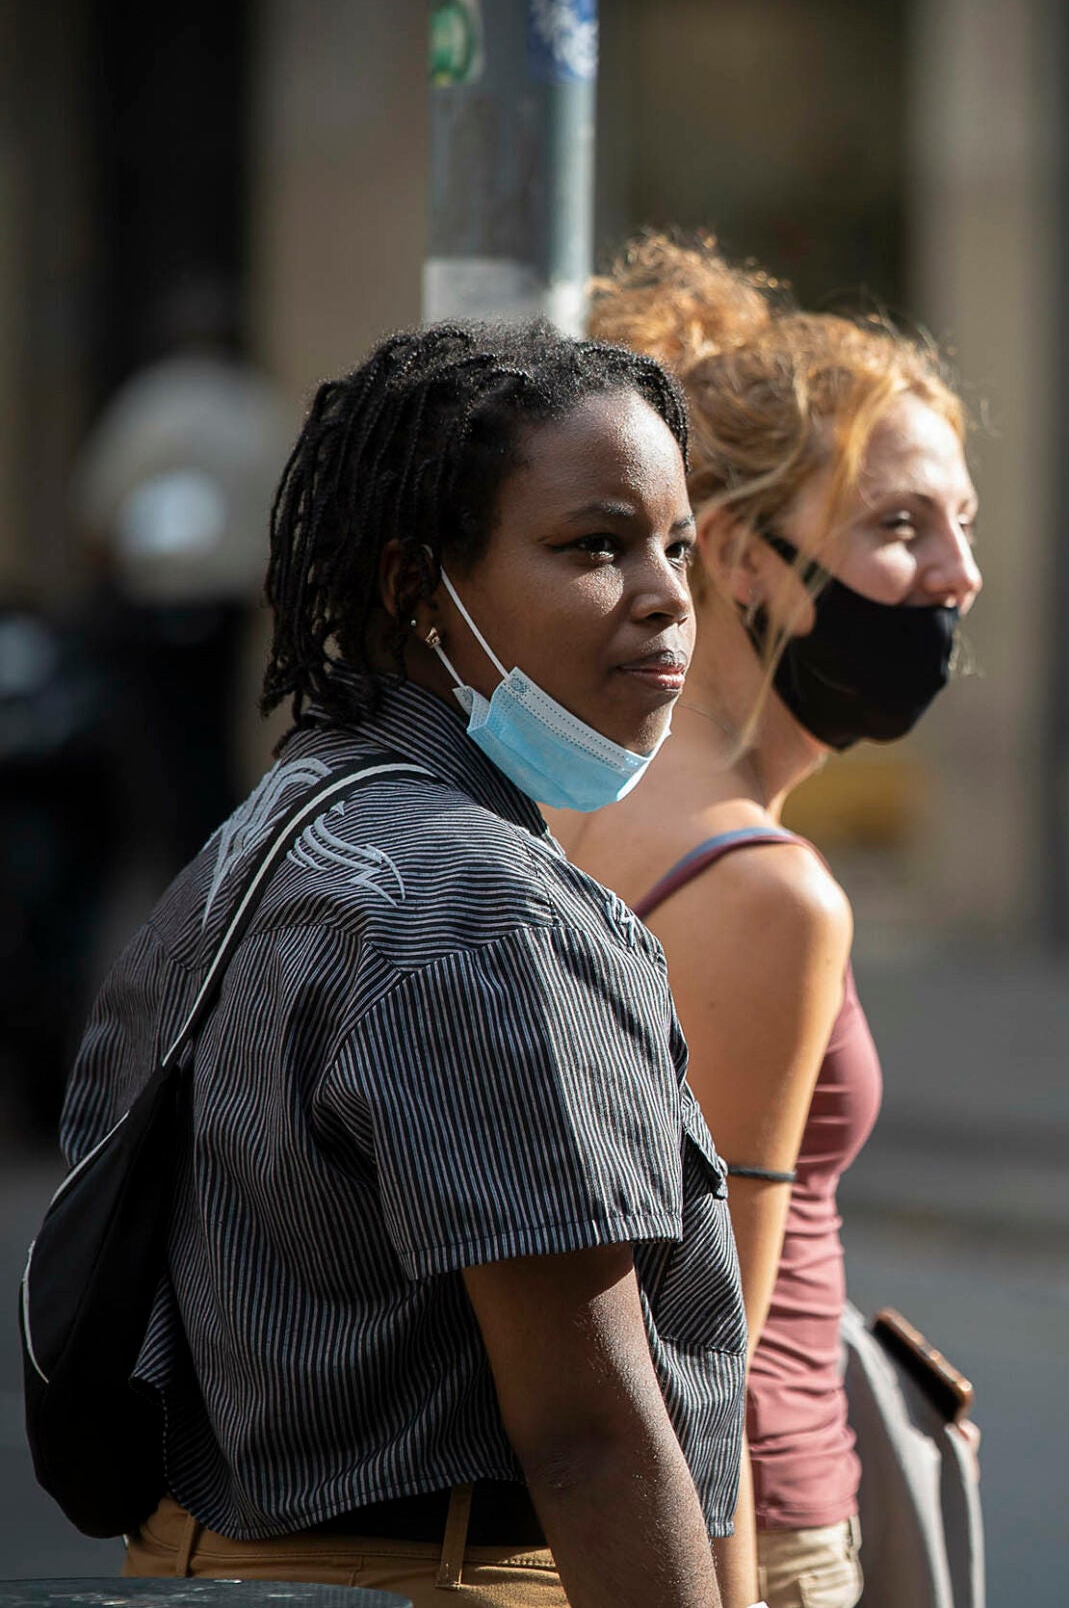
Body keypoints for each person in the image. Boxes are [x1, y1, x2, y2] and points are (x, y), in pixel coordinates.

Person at [65, 320, 749, 1607]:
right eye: (593, 545)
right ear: (413, 587)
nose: (664, 594)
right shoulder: (489, 917)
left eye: (678, 548)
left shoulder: (286, 821)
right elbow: (592, 1436)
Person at [551, 234, 982, 1608]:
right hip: (766, 1550)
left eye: (964, 524)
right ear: (739, 552)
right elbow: (700, 1363)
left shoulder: (567, 789)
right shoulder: (758, 882)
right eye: (901, 525)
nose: (958, 574)